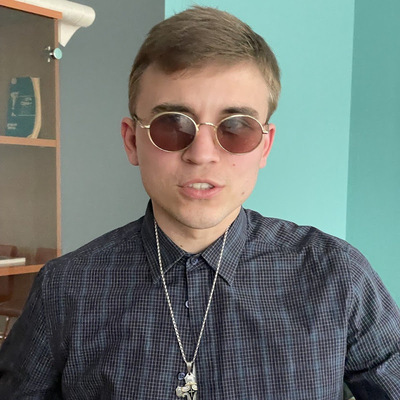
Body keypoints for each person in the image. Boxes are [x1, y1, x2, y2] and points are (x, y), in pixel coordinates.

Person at [0, 6, 399, 400]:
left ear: (264, 146)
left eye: (236, 127)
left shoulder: (337, 276)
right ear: (132, 140)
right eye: (172, 124)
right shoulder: (65, 288)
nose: (202, 154)